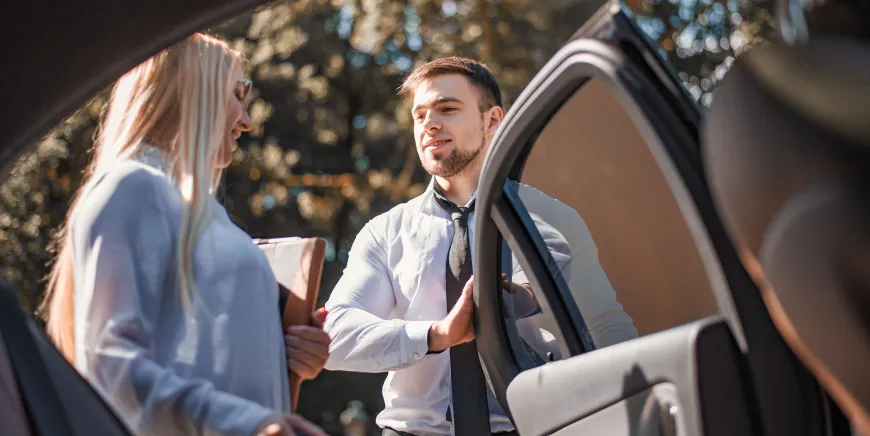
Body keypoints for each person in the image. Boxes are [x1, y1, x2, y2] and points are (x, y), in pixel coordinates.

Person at [322, 57, 637, 436]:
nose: (429, 124)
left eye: (448, 109)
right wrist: (435, 335)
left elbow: (606, 329)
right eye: (419, 115)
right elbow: (334, 336)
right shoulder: (384, 233)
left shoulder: (555, 221)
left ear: (492, 121)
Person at [40, 33, 328, 436]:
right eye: (238, 93)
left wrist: (288, 356)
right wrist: (252, 423)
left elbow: (201, 351)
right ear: (193, 89)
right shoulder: (133, 187)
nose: (246, 121)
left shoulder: (204, 214)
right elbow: (109, 364)